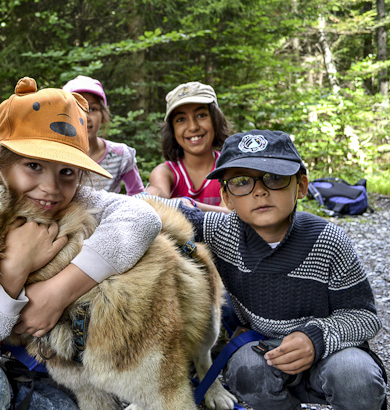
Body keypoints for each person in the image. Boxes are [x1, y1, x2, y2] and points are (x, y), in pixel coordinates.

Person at [0, 77, 163, 409]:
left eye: (66, 172)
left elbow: (144, 218)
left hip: (56, 370)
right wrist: (14, 270)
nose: (51, 188)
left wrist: (59, 291)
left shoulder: (77, 201)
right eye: (34, 165)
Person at [146, 129, 387, 409]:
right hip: (266, 347)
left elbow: (364, 316)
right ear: (227, 198)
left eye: (274, 178)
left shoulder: (329, 240)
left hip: (333, 351)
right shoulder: (221, 232)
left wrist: (315, 338)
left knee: (355, 376)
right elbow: (150, 206)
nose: (259, 190)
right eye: (241, 182)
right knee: (244, 369)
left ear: (301, 186)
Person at [146, 81, 232, 213]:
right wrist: (149, 197)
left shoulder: (230, 168)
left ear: (216, 121)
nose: (193, 127)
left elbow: (230, 215)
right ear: (172, 131)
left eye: (201, 115)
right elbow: (154, 197)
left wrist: (189, 205)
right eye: (181, 119)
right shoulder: (165, 172)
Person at [62, 75, 144, 195]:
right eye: (76, 109)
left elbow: (138, 196)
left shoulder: (120, 155)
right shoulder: (58, 157)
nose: (85, 117)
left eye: (93, 109)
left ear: (103, 115)